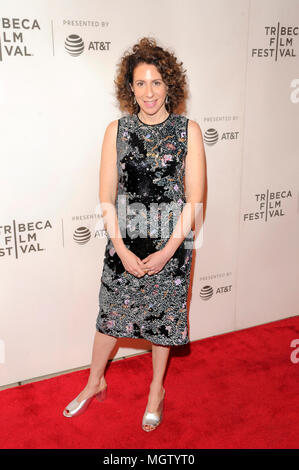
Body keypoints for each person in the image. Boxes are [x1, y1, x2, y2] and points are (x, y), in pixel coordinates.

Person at [63, 37, 206, 432]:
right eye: (140, 83)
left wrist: (167, 252)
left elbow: (194, 200)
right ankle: (95, 381)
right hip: (124, 241)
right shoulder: (117, 130)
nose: (148, 92)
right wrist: (121, 249)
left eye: (156, 82)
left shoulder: (187, 130)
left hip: (172, 244)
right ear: (130, 88)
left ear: (169, 85)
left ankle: (156, 390)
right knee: (109, 318)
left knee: (162, 323)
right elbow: (105, 198)